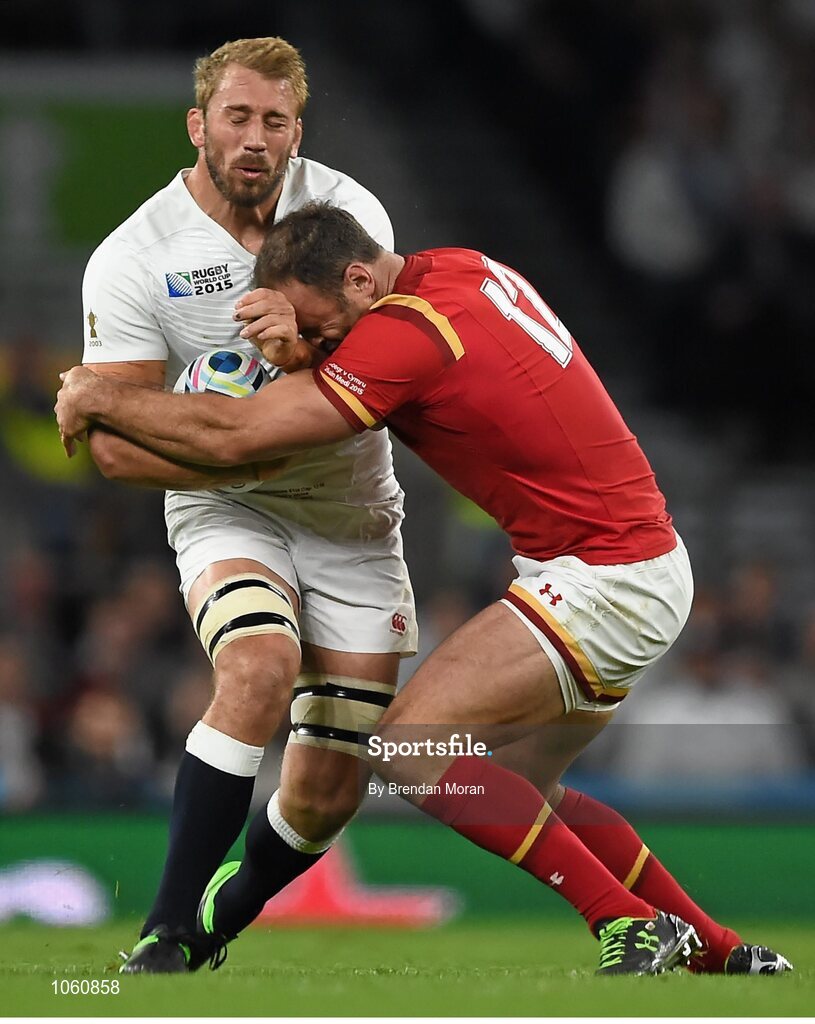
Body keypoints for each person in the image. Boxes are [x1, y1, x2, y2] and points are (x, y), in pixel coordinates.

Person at [56, 203, 792, 977]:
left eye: (319, 324)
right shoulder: (458, 269)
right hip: (634, 561)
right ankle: (715, 951)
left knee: (409, 747)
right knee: (519, 787)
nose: (319, 345)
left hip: (604, 575)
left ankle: (628, 922)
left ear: (357, 277)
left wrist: (100, 395)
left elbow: (237, 437)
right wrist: (305, 338)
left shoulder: (403, 336)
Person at [74, 42, 417, 973]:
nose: (254, 139)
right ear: (198, 125)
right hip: (228, 510)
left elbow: (383, 371)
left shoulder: (347, 215)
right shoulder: (134, 258)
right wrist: (226, 451)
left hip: (352, 514)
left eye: (274, 121)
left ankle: (226, 911)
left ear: (296, 132)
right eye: (236, 117)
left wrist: (297, 358)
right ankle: (166, 928)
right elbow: (109, 446)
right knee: (259, 666)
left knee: (322, 795)